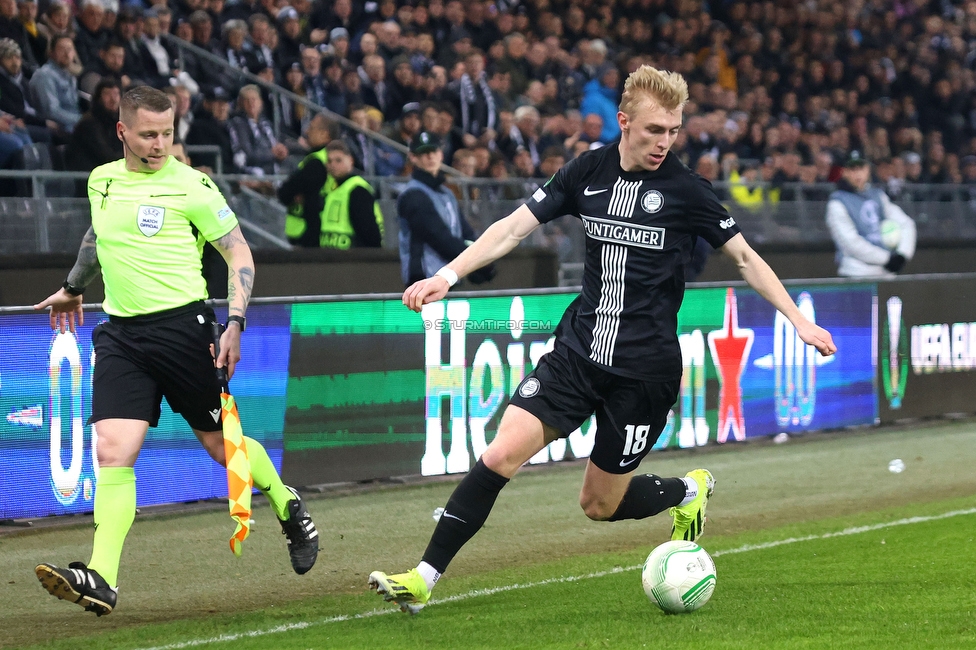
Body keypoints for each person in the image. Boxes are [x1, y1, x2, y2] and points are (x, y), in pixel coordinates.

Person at [370, 65, 836, 614]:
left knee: (597, 505)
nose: (664, 142)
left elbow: (745, 258)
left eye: (673, 131)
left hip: (644, 374)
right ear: (624, 122)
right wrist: (447, 276)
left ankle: (687, 491)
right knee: (499, 454)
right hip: (577, 353)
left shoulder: (687, 191)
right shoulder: (586, 172)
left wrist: (798, 321)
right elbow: (513, 227)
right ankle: (424, 577)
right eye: (654, 130)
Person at [32, 86, 319, 617]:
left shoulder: (194, 186)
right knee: (113, 453)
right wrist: (73, 285)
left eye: (167, 133)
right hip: (120, 334)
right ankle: (102, 578)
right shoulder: (102, 180)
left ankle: (288, 504)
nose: (160, 143)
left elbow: (238, 251)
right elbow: (98, 238)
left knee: (220, 448)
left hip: (185, 332)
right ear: (122, 131)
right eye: (148, 134)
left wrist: (234, 321)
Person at [396, 130, 495, 287]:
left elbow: (465, 232)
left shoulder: (446, 193)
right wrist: (476, 262)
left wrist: (479, 256)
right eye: (423, 153)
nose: (430, 157)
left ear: (441, 154)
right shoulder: (412, 195)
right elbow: (439, 238)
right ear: (413, 157)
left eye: (433, 151)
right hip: (423, 279)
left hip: (449, 277)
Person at [825, 150, 917, 278]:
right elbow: (851, 243)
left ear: (868, 169)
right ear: (844, 172)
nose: (857, 173)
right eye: (852, 168)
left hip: (884, 273)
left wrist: (902, 255)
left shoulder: (878, 196)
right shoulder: (837, 203)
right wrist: (887, 259)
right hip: (855, 273)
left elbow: (906, 223)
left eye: (861, 168)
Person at [278, 112, 335, 247]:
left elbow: (286, 192)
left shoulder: (316, 162)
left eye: (312, 128)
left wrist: (294, 192)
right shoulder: (328, 158)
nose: (307, 131)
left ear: (325, 134)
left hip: (310, 230)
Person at [317, 139, 384, 249]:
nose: (333, 165)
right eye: (329, 161)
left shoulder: (357, 190)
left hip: (353, 261)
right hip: (335, 259)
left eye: (338, 160)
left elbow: (369, 234)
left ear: (351, 161)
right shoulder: (333, 190)